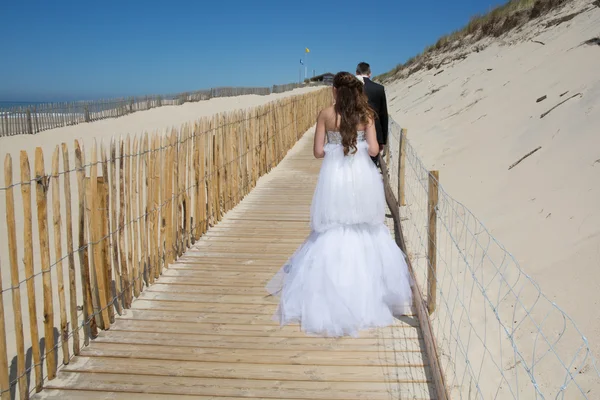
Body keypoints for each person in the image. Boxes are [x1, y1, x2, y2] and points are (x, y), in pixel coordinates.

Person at [265, 72, 413, 338]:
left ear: (334, 90)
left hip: (335, 175)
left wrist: (336, 149)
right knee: (365, 224)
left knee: (333, 226)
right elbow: (374, 150)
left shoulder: (325, 114)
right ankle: (368, 294)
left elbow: (318, 152)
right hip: (361, 175)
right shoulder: (366, 114)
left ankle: (330, 294)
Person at [356, 62, 389, 166]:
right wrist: (383, 139)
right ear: (370, 73)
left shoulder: (351, 88)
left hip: (355, 132)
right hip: (375, 133)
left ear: (356, 72)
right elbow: (383, 114)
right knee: (372, 166)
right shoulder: (379, 88)